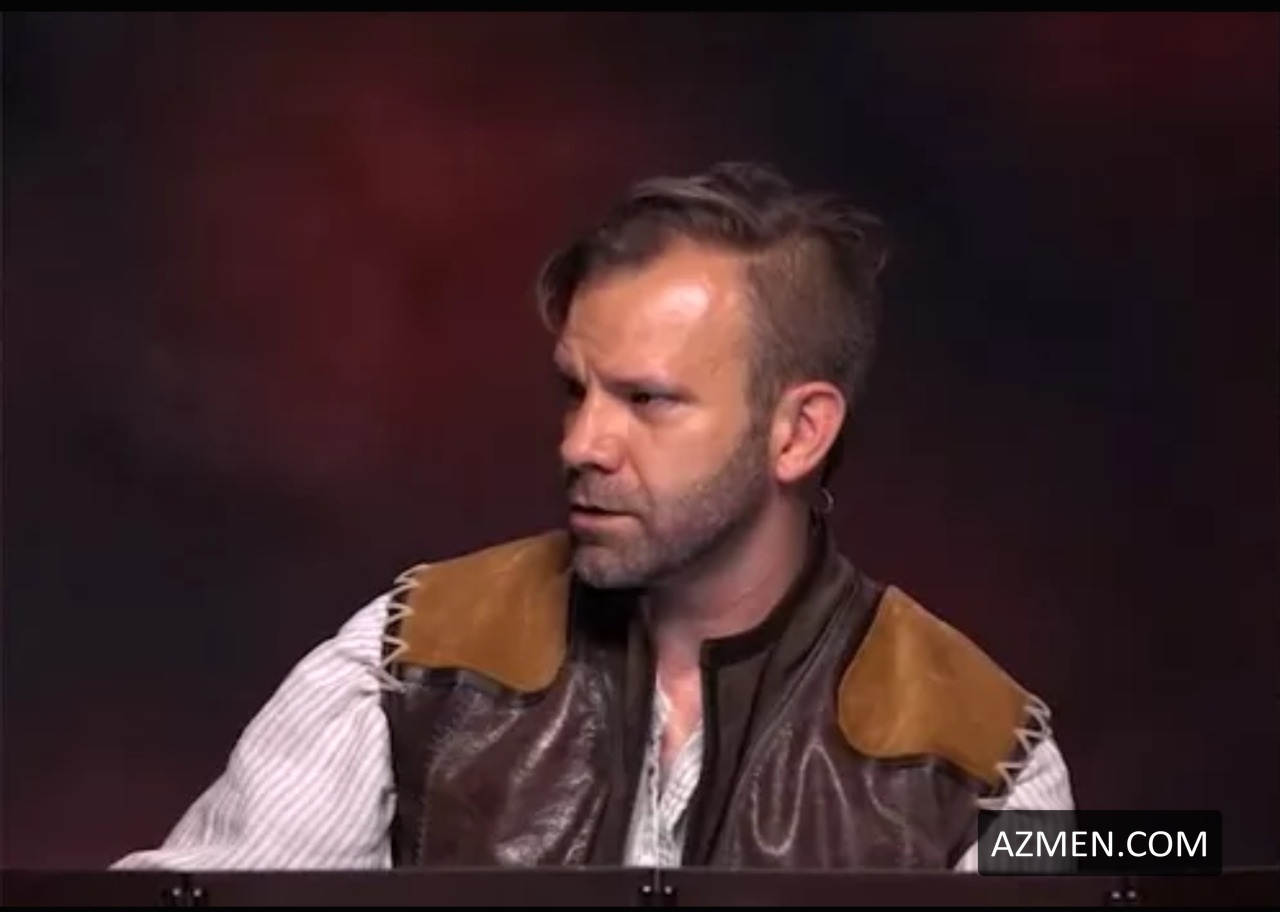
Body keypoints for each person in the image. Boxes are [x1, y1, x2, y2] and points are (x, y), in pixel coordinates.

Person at [113, 161, 1072, 873]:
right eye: (576, 390)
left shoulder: (984, 761)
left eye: (647, 400)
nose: (582, 443)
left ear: (799, 433)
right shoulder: (412, 662)